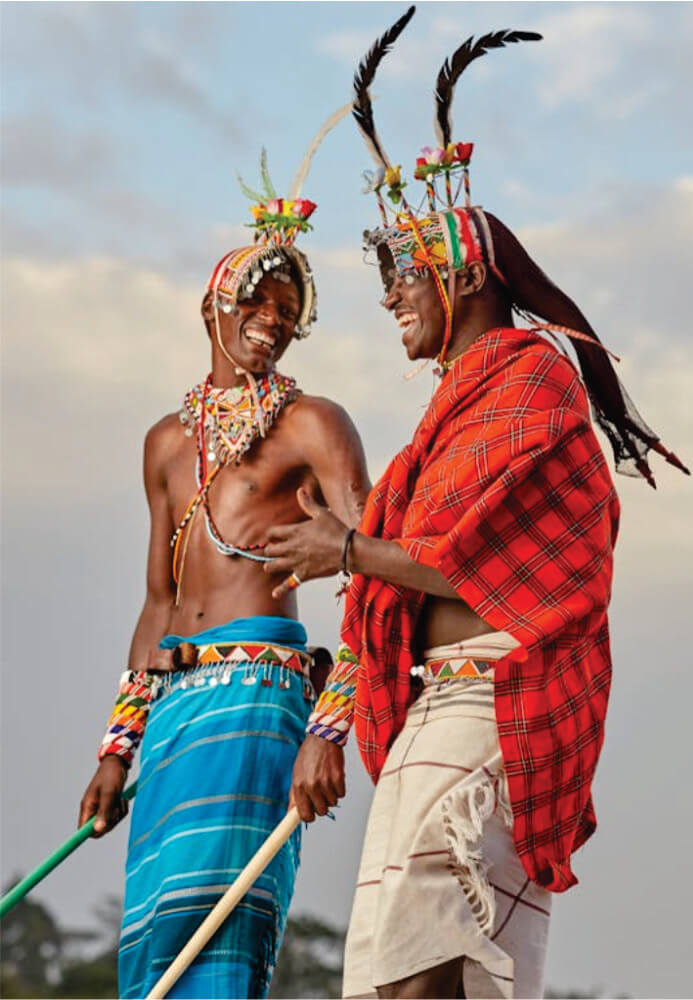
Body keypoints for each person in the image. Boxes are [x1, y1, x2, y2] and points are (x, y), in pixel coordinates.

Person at [260, 17, 689, 1000]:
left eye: (398, 272)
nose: (388, 299)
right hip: (433, 705)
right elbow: (409, 577)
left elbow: (511, 582)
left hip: (498, 705)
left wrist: (355, 550)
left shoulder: (532, 382)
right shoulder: (445, 419)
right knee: (412, 977)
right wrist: (334, 713)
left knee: (428, 976)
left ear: (457, 272)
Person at [78, 130, 370, 999]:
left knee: (223, 920)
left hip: (258, 695)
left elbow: (376, 567)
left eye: (289, 309)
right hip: (171, 708)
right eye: (259, 300)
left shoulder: (315, 422)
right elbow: (157, 602)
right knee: (156, 931)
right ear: (213, 304)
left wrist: (330, 725)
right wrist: (115, 749)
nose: (273, 319)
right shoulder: (165, 444)